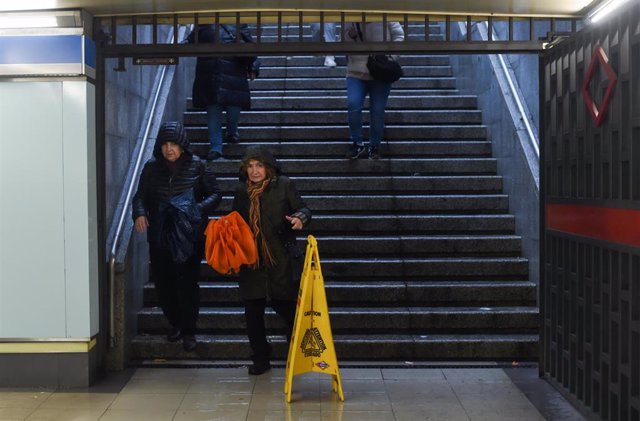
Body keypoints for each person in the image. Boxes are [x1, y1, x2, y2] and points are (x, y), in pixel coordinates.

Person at [132, 121, 221, 351]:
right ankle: (176, 323)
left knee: (187, 283)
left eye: (173, 144)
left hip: (188, 235)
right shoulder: (151, 168)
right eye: (164, 144)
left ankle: (189, 329)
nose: (168, 149)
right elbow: (139, 196)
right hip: (160, 234)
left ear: (182, 146)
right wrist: (139, 213)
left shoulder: (198, 165)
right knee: (164, 283)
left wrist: (197, 209)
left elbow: (216, 194)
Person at [232, 146, 311, 375]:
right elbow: (236, 221)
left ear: (269, 168)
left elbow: (304, 209)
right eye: (250, 166)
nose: (255, 171)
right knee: (252, 313)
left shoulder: (284, 185)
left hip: (281, 258)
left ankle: (295, 354)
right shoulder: (241, 191)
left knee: (286, 308)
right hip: (252, 260)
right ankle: (260, 357)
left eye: (259, 166)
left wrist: (299, 219)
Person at [187, 24, 260, 160]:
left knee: (234, 110)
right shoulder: (203, 24)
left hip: (233, 73)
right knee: (213, 111)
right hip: (210, 74)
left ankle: (231, 131)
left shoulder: (238, 23)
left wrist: (253, 67)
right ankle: (216, 147)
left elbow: (251, 48)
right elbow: (188, 41)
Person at [344, 21, 404, 160]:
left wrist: (390, 58)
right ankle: (357, 142)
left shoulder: (385, 12)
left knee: (377, 111)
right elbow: (341, 40)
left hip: (380, 71)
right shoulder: (351, 15)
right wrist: (349, 35)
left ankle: (374, 146)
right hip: (355, 70)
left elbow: (399, 36)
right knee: (353, 104)